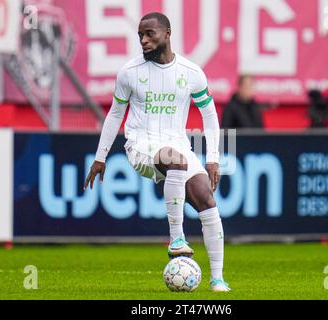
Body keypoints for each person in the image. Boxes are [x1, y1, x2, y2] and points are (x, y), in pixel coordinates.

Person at [83, 12, 230, 292]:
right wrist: (100, 157)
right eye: (140, 35)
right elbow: (115, 115)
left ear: (167, 33)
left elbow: (209, 115)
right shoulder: (130, 72)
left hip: (178, 144)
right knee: (175, 161)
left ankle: (218, 280)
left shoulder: (191, 73)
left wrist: (213, 159)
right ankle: (176, 239)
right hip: (140, 144)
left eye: (150, 34)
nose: (143, 40)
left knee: (207, 200)